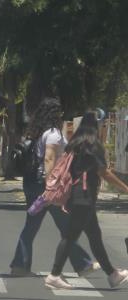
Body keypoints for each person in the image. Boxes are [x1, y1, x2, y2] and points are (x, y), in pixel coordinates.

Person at [10, 98, 97, 276]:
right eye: (59, 112)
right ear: (54, 114)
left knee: (32, 226)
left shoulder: (37, 133)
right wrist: (51, 186)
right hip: (47, 185)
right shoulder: (53, 134)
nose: (62, 115)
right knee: (66, 225)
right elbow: (49, 159)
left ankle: (20, 266)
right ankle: (82, 264)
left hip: (33, 183)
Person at [45, 111, 128, 289]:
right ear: (95, 127)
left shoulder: (74, 144)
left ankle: (113, 274)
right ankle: (54, 275)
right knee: (69, 237)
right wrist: (126, 188)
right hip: (84, 197)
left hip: (77, 196)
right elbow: (104, 172)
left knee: (95, 237)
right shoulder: (92, 145)